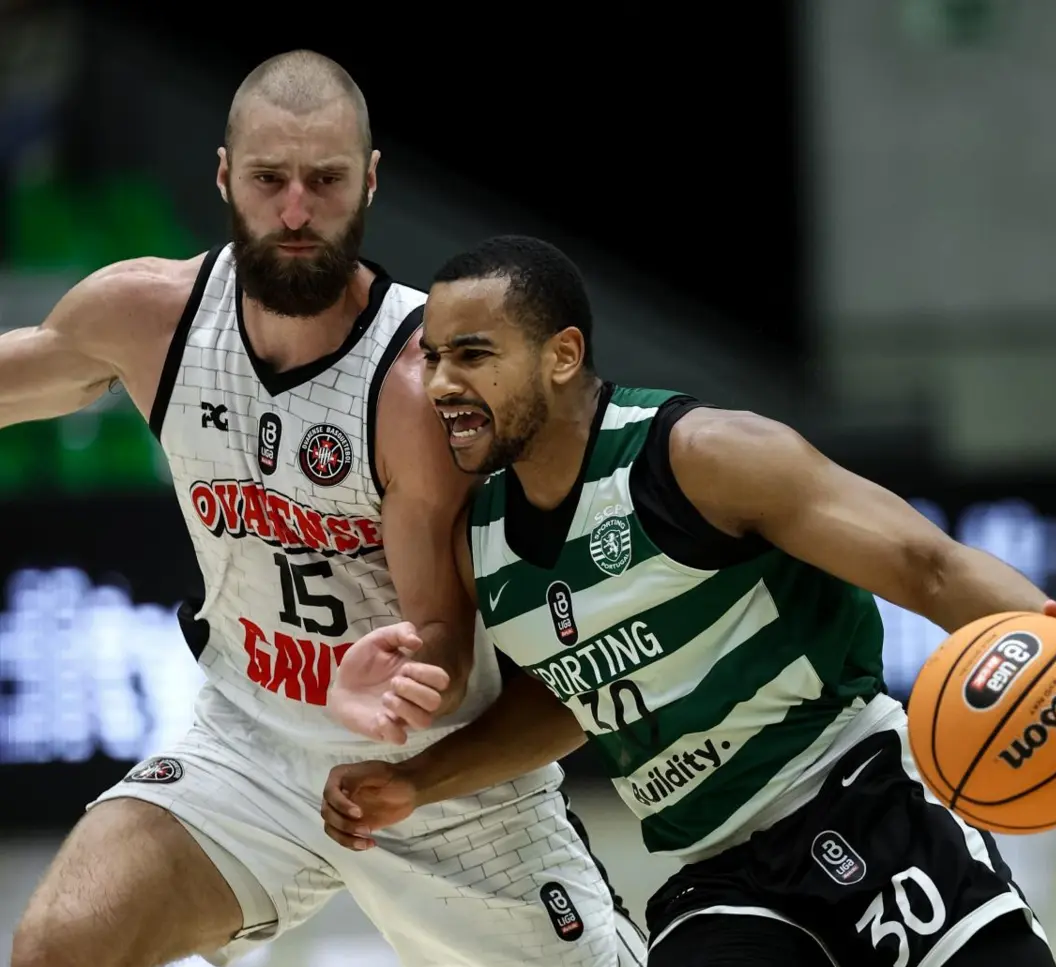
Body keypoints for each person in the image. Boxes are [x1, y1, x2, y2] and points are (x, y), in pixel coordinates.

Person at [319, 234, 1056, 967]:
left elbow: (923, 563)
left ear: (562, 355)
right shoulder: (482, 538)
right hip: (716, 873)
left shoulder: (703, 456)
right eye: (432, 358)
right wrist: (417, 780)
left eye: (472, 354)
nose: (440, 383)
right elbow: (578, 700)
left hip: (860, 795)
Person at [0, 58, 645, 967]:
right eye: (270, 179)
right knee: (56, 947)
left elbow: (448, 651)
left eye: (326, 180)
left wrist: (395, 683)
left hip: (431, 776)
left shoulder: (421, 382)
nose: (296, 210)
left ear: (369, 180)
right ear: (225, 175)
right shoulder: (146, 318)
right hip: (250, 744)